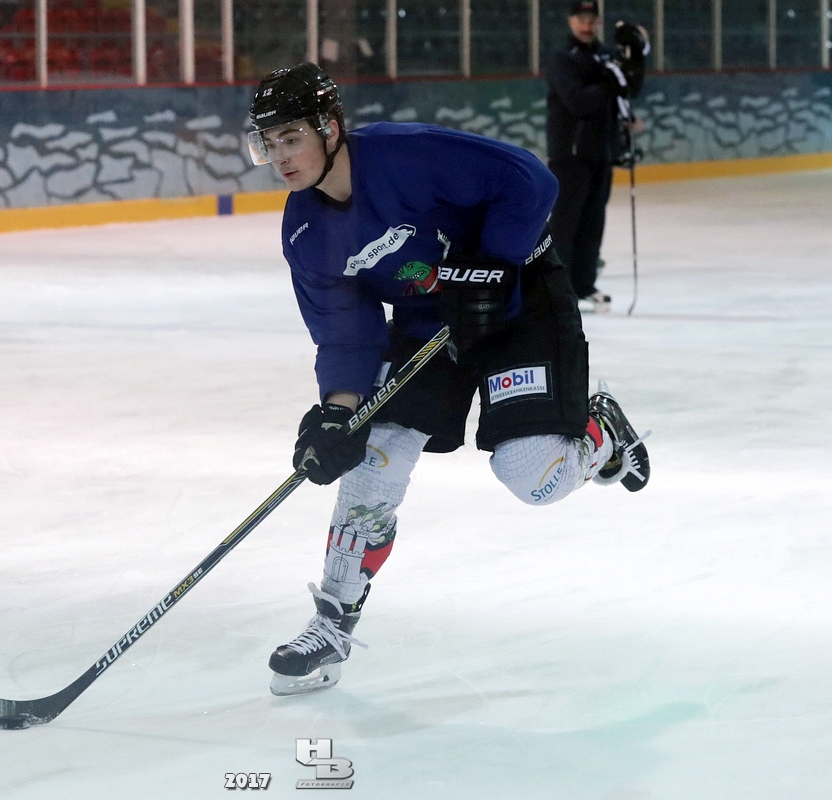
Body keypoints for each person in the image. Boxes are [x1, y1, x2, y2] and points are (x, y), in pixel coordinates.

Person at [247, 63, 651, 696]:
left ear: (330, 128)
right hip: (429, 321)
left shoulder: (406, 156)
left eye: (291, 137)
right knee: (373, 458)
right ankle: (332, 623)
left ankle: (600, 433)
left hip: (520, 302)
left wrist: (490, 267)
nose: (280, 157)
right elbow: (347, 334)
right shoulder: (305, 232)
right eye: (269, 142)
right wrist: (337, 415)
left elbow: (530, 180)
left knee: (534, 477)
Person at [544, 1, 649, 314]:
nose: (587, 25)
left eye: (592, 19)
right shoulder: (563, 58)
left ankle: (584, 284)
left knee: (592, 223)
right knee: (566, 223)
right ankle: (557, 289)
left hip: (602, 152)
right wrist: (608, 80)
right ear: (571, 21)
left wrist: (637, 58)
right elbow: (578, 101)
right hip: (570, 154)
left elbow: (628, 89)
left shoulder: (606, 55)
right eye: (581, 19)